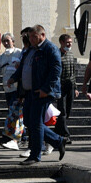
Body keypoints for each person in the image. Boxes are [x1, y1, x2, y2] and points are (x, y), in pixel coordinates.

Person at [18, 25, 65, 162]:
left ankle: (35, 155)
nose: (31, 39)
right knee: (28, 121)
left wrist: (46, 89)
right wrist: (14, 78)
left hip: (42, 92)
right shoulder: (32, 50)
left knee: (36, 123)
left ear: (42, 35)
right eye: (30, 37)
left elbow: (56, 71)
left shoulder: (49, 49)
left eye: (34, 36)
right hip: (30, 92)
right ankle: (58, 141)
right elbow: (23, 66)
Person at [0, 33, 22, 148]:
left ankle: (14, 139)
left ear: (13, 41)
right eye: (3, 41)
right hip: (7, 90)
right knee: (12, 113)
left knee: (14, 113)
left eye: (8, 40)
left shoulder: (19, 53)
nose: (6, 43)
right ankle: (15, 137)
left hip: (17, 89)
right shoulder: (2, 57)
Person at [58, 32, 80, 140]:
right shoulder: (57, 55)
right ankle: (66, 135)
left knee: (68, 110)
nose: (69, 45)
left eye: (70, 43)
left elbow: (73, 72)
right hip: (60, 86)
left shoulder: (71, 54)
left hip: (70, 85)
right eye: (67, 43)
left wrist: (75, 87)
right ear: (61, 43)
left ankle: (58, 131)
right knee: (62, 110)